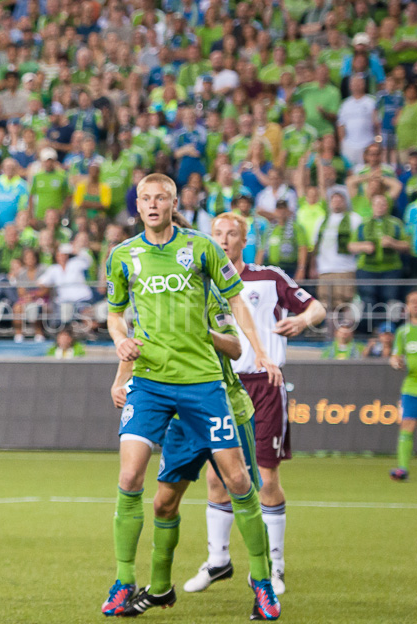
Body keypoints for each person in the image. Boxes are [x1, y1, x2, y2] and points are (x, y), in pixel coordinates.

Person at [103, 174, 282, 620]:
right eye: (145, 198)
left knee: (238, 481)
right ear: (138, 205)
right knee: (130, 477)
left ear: (174, 203)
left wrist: (261, 352)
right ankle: (125, 581)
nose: (152, 204)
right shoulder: (122, 256)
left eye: (161, 198)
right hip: (150, 384)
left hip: (203, 384)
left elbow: (237, 301)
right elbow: (116, 315)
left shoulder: (201, 248)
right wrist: (120, 345)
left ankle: (263, 582)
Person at [182, 212, 326, 599]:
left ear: (244, 241)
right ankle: (218, 559)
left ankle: (274, 565)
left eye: (232, 234)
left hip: (264, 384)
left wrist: (302, 322)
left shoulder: (269, 278)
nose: (224, 239)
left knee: (266, 477)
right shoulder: (201, 280)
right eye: (217, 233)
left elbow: (316, 307)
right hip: (220, 386)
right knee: (217, 477)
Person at [390, 290, 417, 481]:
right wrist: (396, 362)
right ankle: (402, 468)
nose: (415, 304)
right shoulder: (403, 332)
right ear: (407, 307)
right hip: (411, 386)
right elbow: (395, 356)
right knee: (407, 424)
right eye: (412, 302)